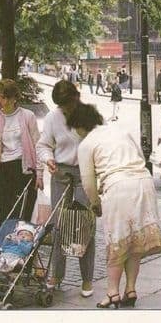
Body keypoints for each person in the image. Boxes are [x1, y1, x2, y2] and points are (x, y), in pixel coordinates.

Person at [67, 103, 161, 308]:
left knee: (117, 241)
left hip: (118, 186)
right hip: (143, 183)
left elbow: (88, 181)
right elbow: (140, 155)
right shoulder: (120, 129)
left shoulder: (86, 144)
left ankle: (112, 293)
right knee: (135, 242)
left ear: (79, 126)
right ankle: (130, 289)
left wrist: (95, 204)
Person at [36, 80, 95, 297]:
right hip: (60, 173)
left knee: (82, 225)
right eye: (61, 106)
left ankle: (87, 279)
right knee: (59, 225)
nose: (65, 109)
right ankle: (56, 275)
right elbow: (43, 145)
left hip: (84, 173)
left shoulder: (89, 115)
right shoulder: (52, 117)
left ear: (75, 97)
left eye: (68, 104)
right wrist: (48, 159)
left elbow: (100, 144)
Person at [0, 78, 40, 226]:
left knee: (25, 213)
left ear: (14, 98)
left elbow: (38, 144)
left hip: (25, 168)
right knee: (6, 213)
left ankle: (25, 245)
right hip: (6, 169)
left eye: (4, 97)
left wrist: (39, 173)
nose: (0, 100)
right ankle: (5, 245)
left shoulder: (27, 116)